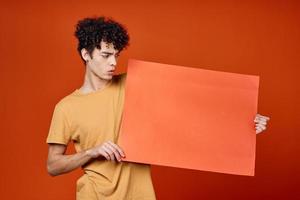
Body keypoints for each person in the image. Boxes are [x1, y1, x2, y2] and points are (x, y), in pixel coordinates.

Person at [46, 16, 270, 200]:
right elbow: (53, 165)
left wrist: (244, 122)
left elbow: (194, 108)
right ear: (86, 54)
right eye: (106, 55)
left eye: (116, 55)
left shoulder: (136, 84)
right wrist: (91, 151)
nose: (113, 62)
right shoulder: (66, 107)